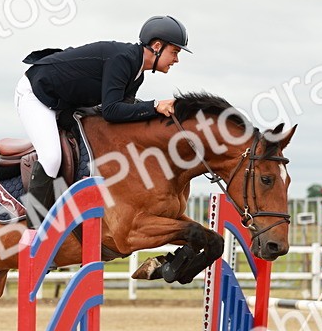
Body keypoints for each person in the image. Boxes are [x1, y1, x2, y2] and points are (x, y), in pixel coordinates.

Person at [14, 15, 190, 215]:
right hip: (36, 95)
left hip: (65, 102)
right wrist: (155, 105)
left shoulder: (137, 74)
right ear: (157, 46)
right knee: (52, 157)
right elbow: (112, 111)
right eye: (175, 52)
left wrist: (156, 113)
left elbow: (124, 114)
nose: (176, 59)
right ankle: (34, 228)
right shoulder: (123, 59)